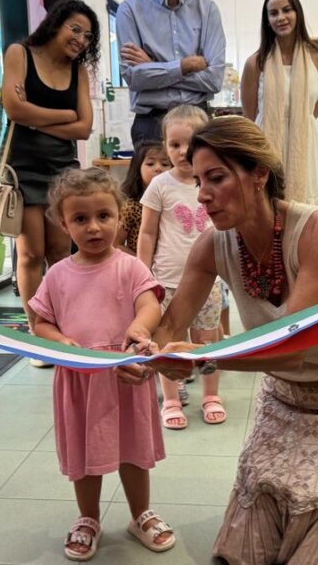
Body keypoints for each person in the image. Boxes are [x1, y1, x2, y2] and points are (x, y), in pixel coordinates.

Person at [119, 116, 318, 563]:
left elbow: (291, 347)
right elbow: (170, 324)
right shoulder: (212, 245)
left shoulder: (317, 230)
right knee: (246, 548)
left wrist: (202, 359)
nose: (201, 195)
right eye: (199, 180)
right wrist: (142, 348)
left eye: (216, 178)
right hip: (286, 401)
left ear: (259, 174)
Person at [27, 168, 174, 561]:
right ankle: (88, 518)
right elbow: (40, 322)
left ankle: (140, 514)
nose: (93, 227)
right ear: (63, 223)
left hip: (127, 375)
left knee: (133, 450)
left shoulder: (129, 266)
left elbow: (150, 302)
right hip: (80, 381)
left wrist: (140, 327)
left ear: (120, 215)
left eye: (103, 216)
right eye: (80, 219)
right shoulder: (57, 275)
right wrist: (61, 341)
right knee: (85, 455)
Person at [2, 0, 98, 367]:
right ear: (55, 23)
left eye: (88, 36)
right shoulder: (20, 54)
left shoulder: (79, 72)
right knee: (29, 253)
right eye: (75, 29)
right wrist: (65, 114)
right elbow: (13, 109)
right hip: (23, 166)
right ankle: (37, 333)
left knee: (60, 252)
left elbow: (84, 127)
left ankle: (62, 329)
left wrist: (35, 118)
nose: (80, 39)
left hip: (63, 169)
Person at [136, 105, 226, 429]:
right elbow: (147, 232)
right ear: (165, 144)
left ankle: (211, 395)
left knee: (207, 341)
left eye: (189, 144)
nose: (181, 152)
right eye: (173, 145)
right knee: (167, 341)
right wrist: (142, 274)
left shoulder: (212, 182)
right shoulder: (160, 185)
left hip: (208, 281)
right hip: (166, 281)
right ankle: (171, 399)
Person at [240, 0, 318, 205]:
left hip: (305, 144)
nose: (281, 17)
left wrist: (295, 123)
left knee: (305, 210)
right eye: (274, 13)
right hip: (267, 143)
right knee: (267, 205)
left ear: (297, 13)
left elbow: (313, 110)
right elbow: (250, 118)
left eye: (286, 10)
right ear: (267, 20)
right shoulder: (255, 63)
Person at [117, 0, 225, 144]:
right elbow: (134, 78)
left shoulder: (208, 9)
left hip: (199, 119)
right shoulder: (129, 9)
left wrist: (154, 66)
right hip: (152, 123)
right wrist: (185, 66)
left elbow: (214, 80)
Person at [117, 140, 172, 256]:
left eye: (165, 164)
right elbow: (116, 244)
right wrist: (140, 262)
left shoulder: (174, 204)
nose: (158, 168)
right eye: (150, 164)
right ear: (137, 169)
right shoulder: (131, 207)